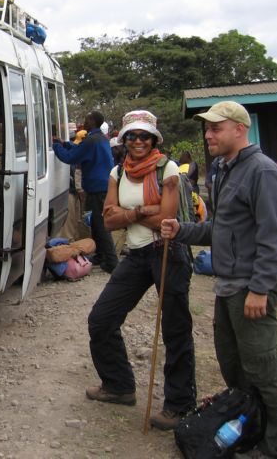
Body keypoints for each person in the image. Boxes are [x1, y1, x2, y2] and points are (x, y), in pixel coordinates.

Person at [161, 100, 277, 459]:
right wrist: (182, 230)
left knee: (264, 372)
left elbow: (274, 238)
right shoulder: (223, 169)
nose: (208, 135)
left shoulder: (263, 172)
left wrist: (260, 288)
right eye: (207, 129)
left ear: (240, 129)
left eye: (215, 128)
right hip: (228, 286)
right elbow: (221, 229)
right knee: (234, 369)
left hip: (252, 288)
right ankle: (252, 432)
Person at [86, 110, 196, 432]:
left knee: (175, 330)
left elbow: (167, 220)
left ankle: (179, 405)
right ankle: (118, 385)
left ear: (154, 140)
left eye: (144, 136)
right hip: (135, 255)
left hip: (167, 253)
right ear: (123, 139)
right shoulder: (117, 172)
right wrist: (141, 210)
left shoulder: (169, 169)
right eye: (131, 136)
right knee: (101, 319)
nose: (137, 141)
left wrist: (127, 214)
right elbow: (106, 220)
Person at [52, 111, 117, 272]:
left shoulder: (91, 140)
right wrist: (65, 143)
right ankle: (101, 255)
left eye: (87, 120)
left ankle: (111, 261)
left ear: (93, 122)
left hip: (98, 188)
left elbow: (70, 158)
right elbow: (78, 150)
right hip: (102, 186)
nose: (84, 122)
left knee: (101, 224)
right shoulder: (99, 138)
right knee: (96, 222)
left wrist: (55, 146)